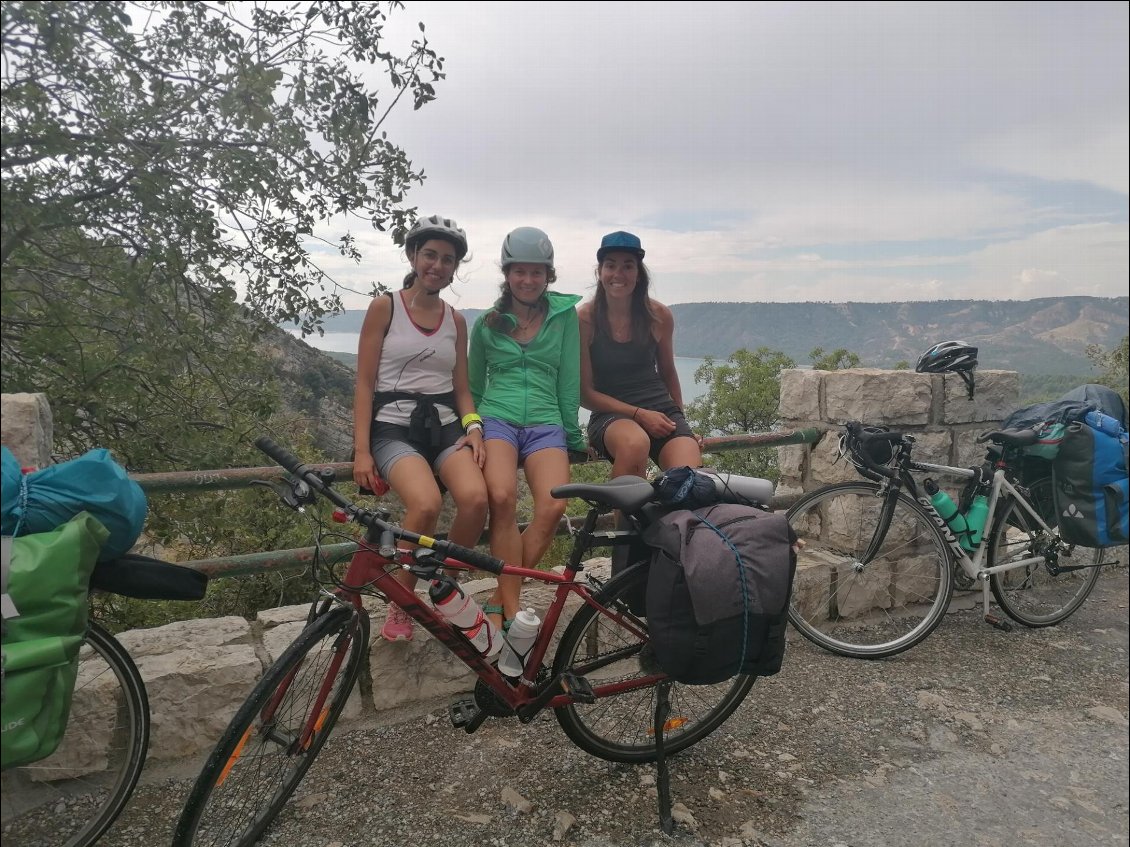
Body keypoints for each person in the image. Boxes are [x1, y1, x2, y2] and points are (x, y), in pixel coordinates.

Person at [352, 215, 488, 642]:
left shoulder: (456, 320)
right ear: (413, 256)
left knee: (475, 500)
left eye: (448, 260)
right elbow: (364, 382)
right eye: (430, 255)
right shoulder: (385, 307)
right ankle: (403, 601)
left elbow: (461, 388)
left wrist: (475, 427)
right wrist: (361, 450)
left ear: (454, 268)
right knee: (425, 505)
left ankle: (444, 586)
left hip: (445, 427)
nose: (438, 265)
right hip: (392, 428)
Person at [468, 226, 585, 631]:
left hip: (545, 420)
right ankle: (512, 615)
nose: (529, 280)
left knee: (553, 506)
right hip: (497, 418)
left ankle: (502, 597)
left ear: (548, 275)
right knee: (500, 498)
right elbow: (472, 385)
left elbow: (569, 380)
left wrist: (572, 435)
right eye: (520, 272)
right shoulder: (487, 323)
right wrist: (473, 427)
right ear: (508, 274)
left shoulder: (564, 316)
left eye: (537, 272)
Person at [579, 230, 702, 479]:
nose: (618, 274)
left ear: (638, 273)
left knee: (689, 478)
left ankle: (662, 519)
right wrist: (638, 414)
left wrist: (681, 423)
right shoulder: (585, 319)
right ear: (599, 271)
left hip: (660, 411)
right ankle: (625, 519)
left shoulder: (658, 316)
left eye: (628, 266)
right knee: (635, 445)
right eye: (611, 265)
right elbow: (585, 394)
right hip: (611, 415)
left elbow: (668, 371)